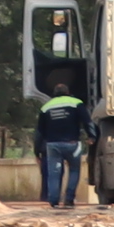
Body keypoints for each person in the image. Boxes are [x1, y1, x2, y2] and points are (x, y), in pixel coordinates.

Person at [35, 76, 96, 208]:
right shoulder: (76, 103)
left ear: (54, 94)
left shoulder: (46, 107)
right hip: (72, 144)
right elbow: (87, 121)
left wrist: (37, 152)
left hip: (52, 145)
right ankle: (69, 199)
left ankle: (54, 200)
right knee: (74, 171)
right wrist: (91, 136)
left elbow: (39, 132)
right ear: (68, 92)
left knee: (54, 173)